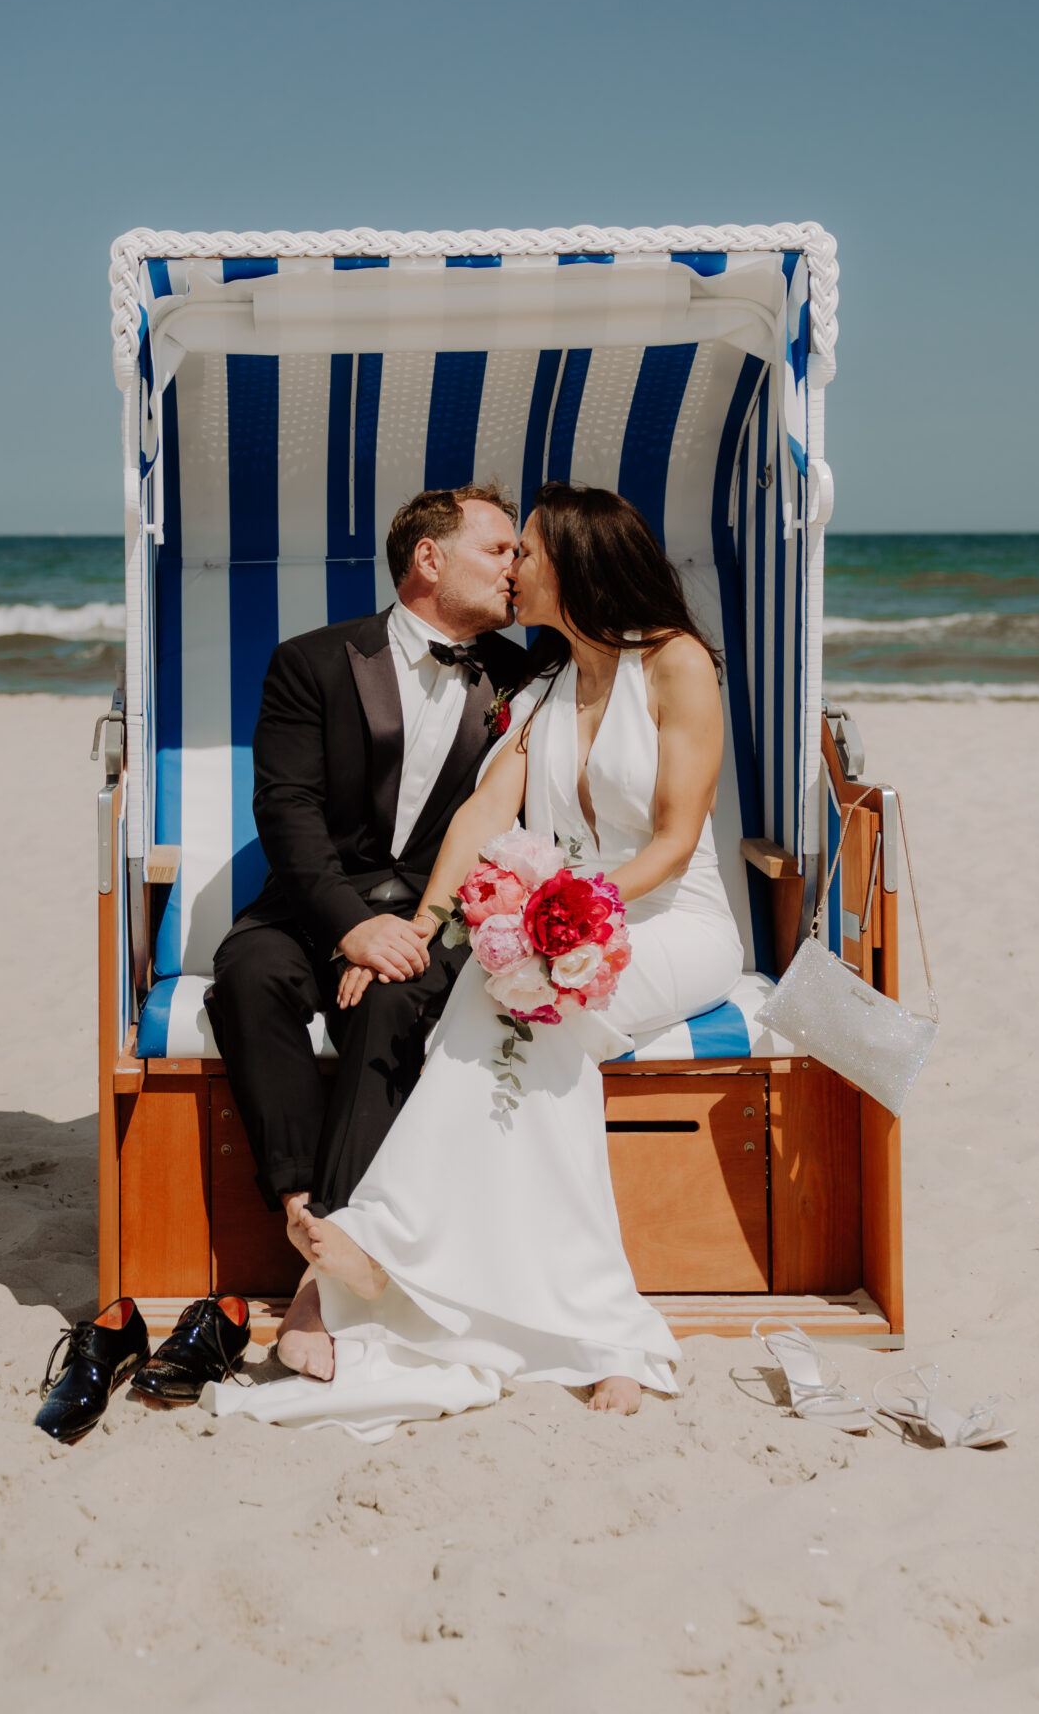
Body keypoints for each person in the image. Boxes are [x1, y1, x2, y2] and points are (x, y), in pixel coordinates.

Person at [203, 483, 745, 1440]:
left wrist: (571, 921)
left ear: (570, 562)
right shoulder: (538, 686)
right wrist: (422, 923)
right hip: (542, 925)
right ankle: (370, 1248)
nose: (513, 568)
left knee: (533, 1014)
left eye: (522, 552)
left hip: (664, 918)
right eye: (502, 550)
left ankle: (589, 1322)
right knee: (500, 1002)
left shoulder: (675, 663)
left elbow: (673, 837)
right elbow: (481, 816)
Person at [205, 483, 530, 1381]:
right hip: (313, 905)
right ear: (430, 558)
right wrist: (351, 929)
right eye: (498, 549)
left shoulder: (521, 677)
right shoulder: (310, 661)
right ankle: (301, 1204)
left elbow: (509, 829)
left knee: (394, 1009)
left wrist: (411, 933)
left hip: (437, 916)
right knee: (249, 978)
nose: (516, 567)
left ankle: (323, 1276)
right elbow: (288, 809)